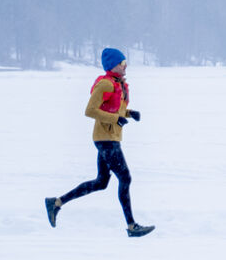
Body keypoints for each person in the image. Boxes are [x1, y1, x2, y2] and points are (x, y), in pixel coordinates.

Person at [46, 48, 154, 237]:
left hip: (109, 138)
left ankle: (56, 203)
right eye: (122, 63)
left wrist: (129, 113)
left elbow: (113, 108)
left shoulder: (117, 84)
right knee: (125, 178)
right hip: (106, 139)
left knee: (101, 182)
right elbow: (90, 110)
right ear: (113, 65)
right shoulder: (105, 84)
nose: (125, 66)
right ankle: (131, 226)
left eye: (125, 62)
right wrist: (116, 119)